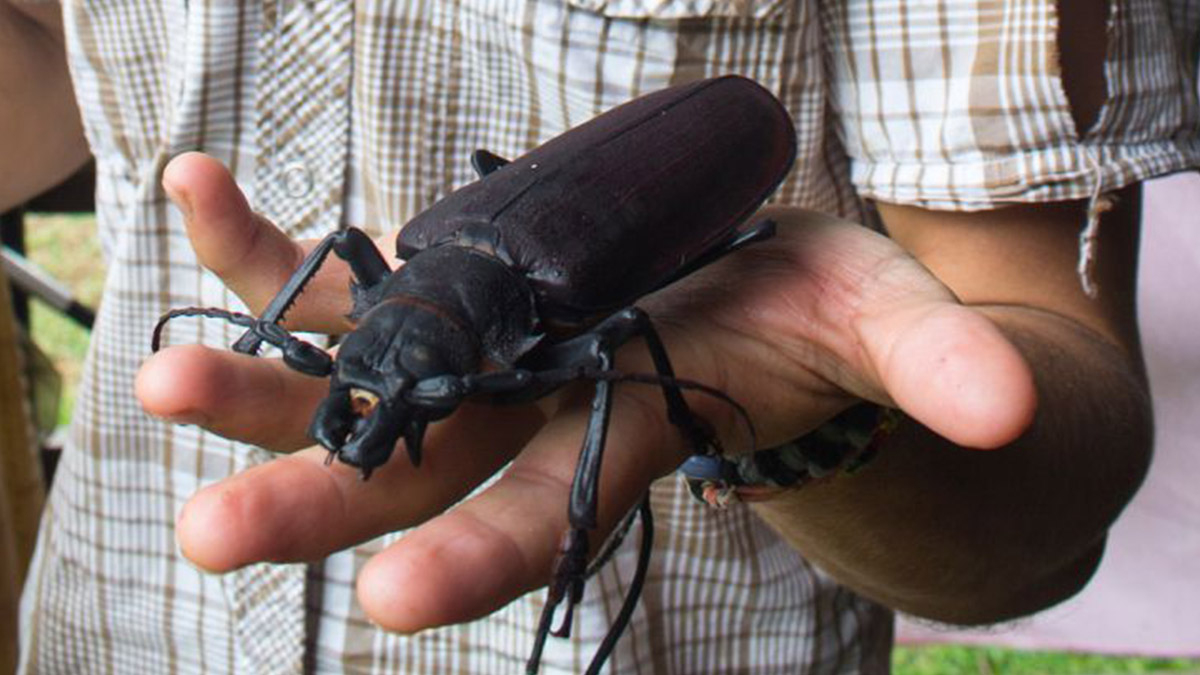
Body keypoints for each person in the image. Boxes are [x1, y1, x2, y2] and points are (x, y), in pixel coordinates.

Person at [4, 0, 1196, 672]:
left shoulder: (564, 315)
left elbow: (1046, 513)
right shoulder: (423, 253)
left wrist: (791, 408)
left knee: (629, 356)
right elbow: (46, 82)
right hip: (111, 632)